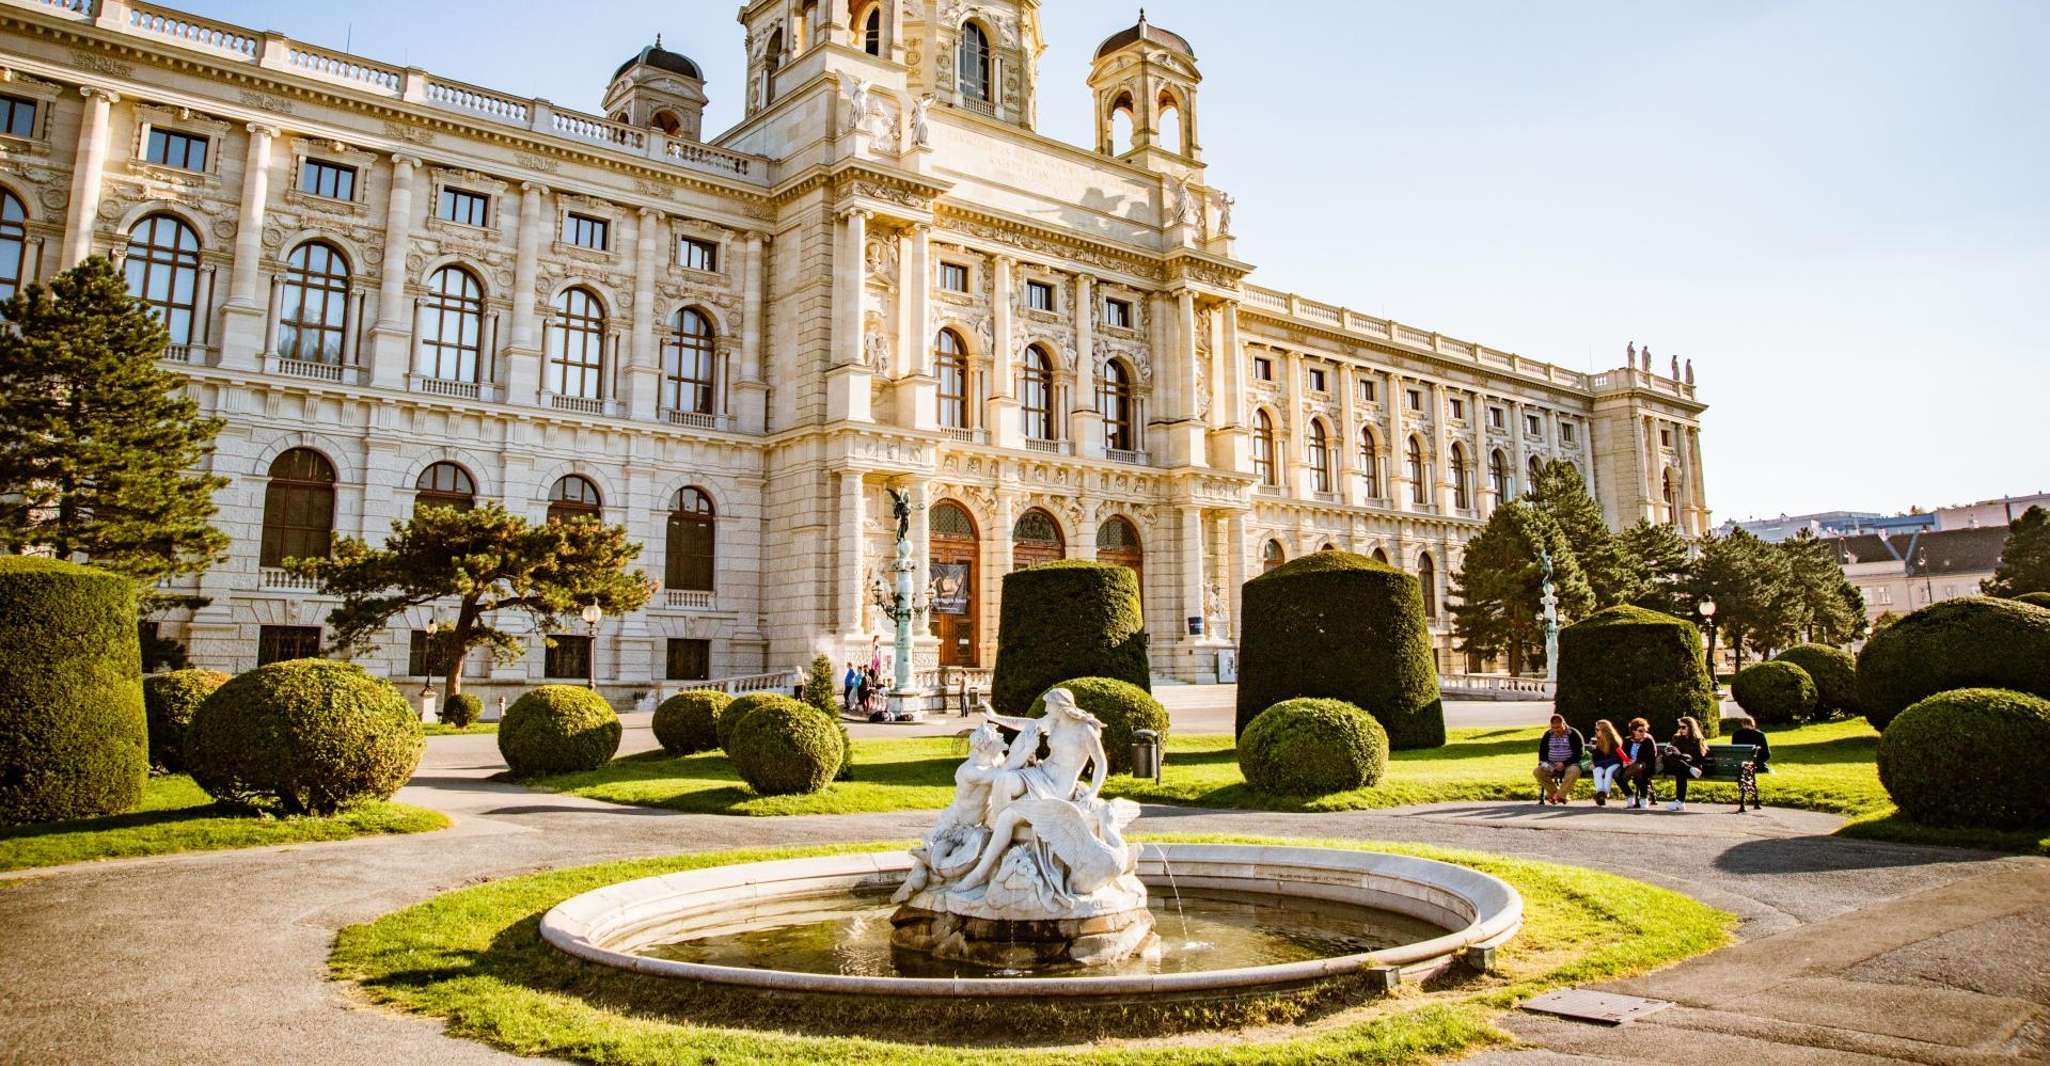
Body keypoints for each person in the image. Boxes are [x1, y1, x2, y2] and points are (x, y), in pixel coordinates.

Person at [1532, 714, 1585, 805]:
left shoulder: (1573, 734)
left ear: (1564, 724)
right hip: (1551, 765)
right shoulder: (1548, 735)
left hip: (1569, 764)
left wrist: (1564, 763)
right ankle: (1556, 794)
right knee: (1537, 772)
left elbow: (1579, 753)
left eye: (1558, 727)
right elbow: (1542, 752)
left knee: (1575, 770)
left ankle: (1559, 796)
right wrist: (1545, 763)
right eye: (1553, 728)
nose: (1556, 730)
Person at [1725, 713, 1771, 813]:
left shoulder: (1736, 734)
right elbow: (1767, 754)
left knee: (1743, 773)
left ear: (1742, 724)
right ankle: (1754, 801)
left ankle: (1745, 800)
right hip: (1753, 766)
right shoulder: (1759, 735)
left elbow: (1734, 752)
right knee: (1749, 775)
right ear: (1753, 724)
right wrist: (1757, 762)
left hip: (1738, 766)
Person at [1662, 716, 1709, 811]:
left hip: (1693, 766)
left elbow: (1699, 758)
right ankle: (1680, 802)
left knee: (1680, 771)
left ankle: (1680, 802)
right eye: (1679, 727)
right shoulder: (1677, 738)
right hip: (1686, 768)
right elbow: (1672, 753)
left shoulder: (1698, 740)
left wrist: (1683, 756)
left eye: (1683, 727)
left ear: (1691, 727)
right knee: (1671, 757)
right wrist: (1677, 754)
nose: (1681, 730)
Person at [1620, 717, 1661, 809]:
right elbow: (1623, 754)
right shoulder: (1627, 741)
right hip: (1629, 766)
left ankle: (1643, 798)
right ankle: (1631, 795)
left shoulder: (1648, 740)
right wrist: (1624, 761)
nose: (1643, 733)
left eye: (1644, 730)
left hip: (1644, 765)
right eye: (1640, 731)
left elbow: (1651, 757)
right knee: (1616, 773)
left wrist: (1635, 761)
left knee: (1639, 770)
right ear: (1633, 731)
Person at [1588, 720, 1626, 806]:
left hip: (1614, 764)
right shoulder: (1597, 741)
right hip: (1602, 764)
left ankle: (1603, 794)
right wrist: (1594, 750)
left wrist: (1598, 764)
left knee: (1609, 771)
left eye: (1598, 729)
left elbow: (1616, 759)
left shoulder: (1614, 741)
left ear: (1605, 730)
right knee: (1596, 770)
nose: (1596, 731)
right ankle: (1601, 792)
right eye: (1596, 729)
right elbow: (1597, 759)